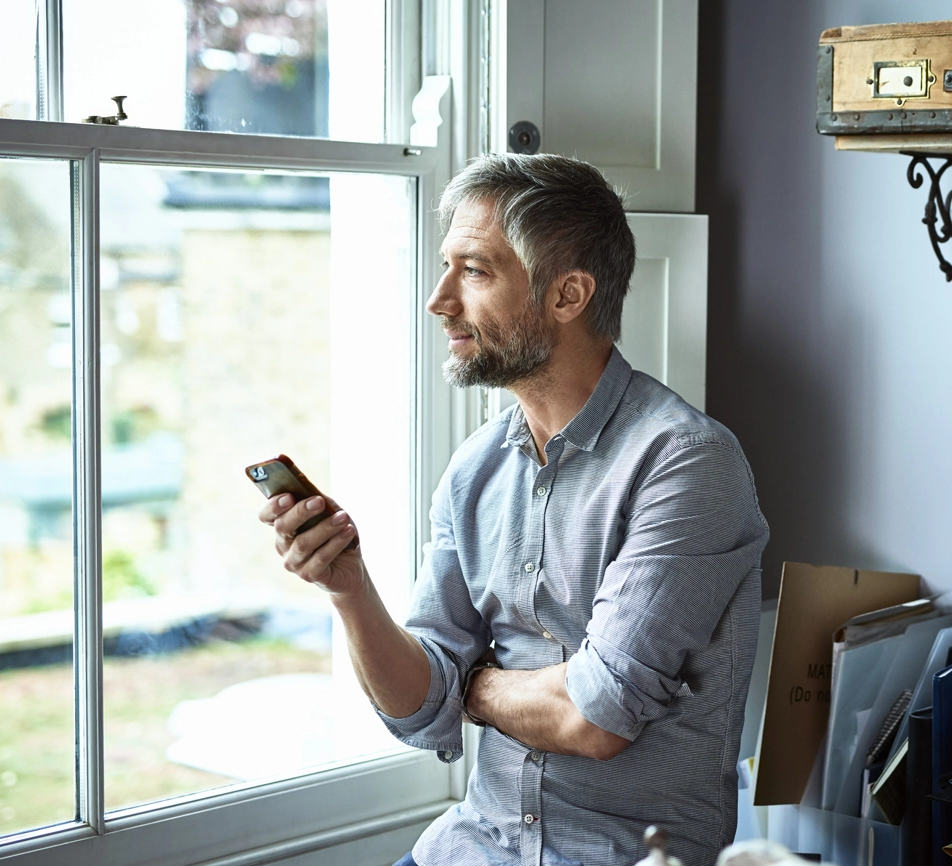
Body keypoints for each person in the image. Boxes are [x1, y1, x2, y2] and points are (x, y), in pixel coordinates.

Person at [259, 153, 770, 866]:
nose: (440, 300)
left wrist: (470, 686)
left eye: (474, 271)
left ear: (567, 295)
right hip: (471, 847)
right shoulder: (476, 469)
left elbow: (595, 717)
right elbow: (418, 710)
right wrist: (349, 589)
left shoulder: (686, 462)